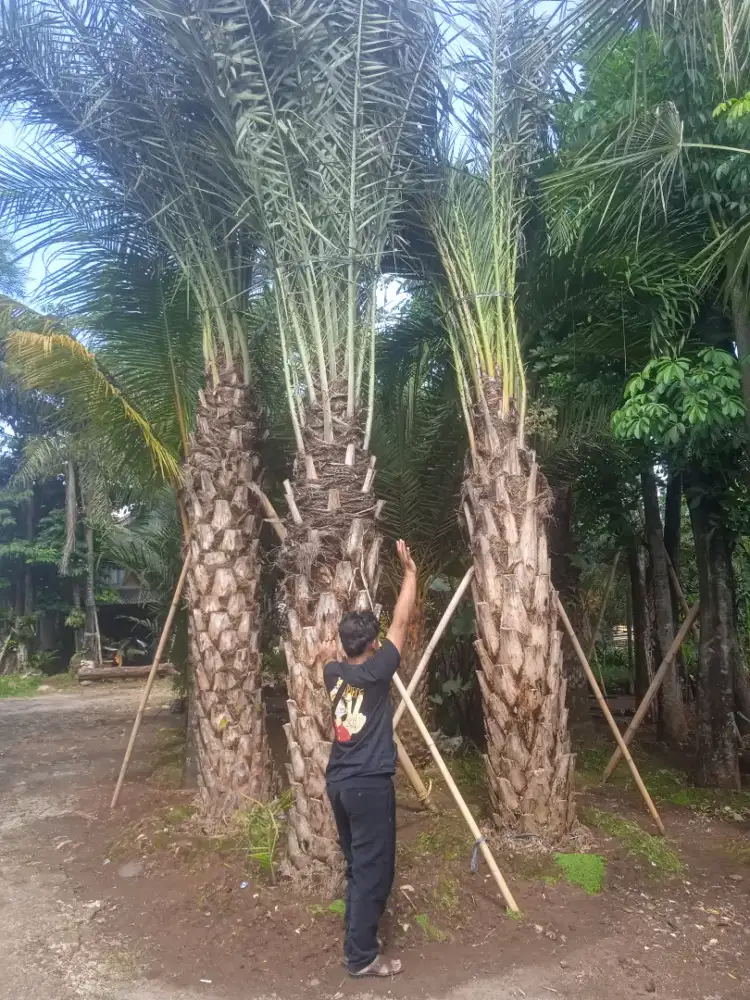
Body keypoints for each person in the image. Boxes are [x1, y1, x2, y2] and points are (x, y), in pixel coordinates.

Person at [324, 539, 418, 978]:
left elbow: (370, 636)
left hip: (339, 785)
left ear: (343, 645)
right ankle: (361, 957)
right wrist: (410, 574)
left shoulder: (332, 672)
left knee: (359, 867)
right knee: (372, 872)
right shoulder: (378, 673)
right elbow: (401, 620)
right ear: (375, 644)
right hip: (368, 786)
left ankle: (359, 940)